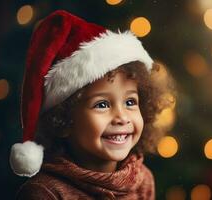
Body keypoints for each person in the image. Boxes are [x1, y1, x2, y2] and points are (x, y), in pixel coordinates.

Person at [9, 10, 175, 199]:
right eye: (102, 104)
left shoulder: (143, 180)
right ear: (63, 118)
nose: (122, 117)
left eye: (130, 102)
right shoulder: (45, 192)